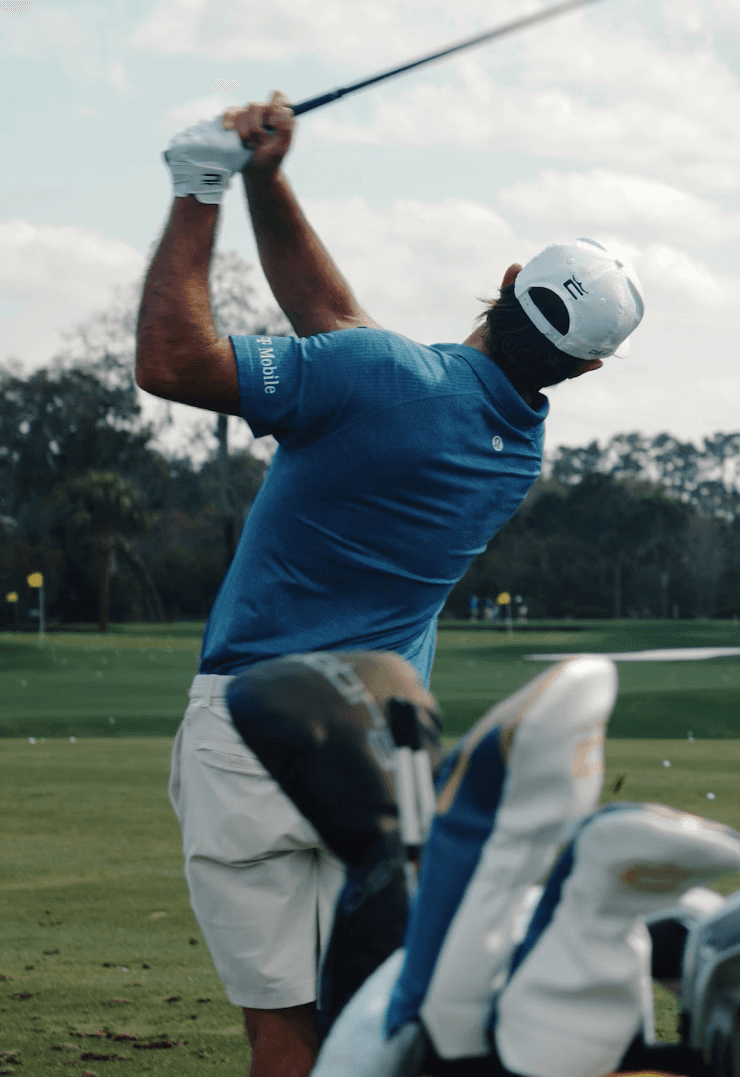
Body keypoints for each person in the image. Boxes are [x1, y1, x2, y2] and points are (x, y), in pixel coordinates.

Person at [134, 90, 645, 1077]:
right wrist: (269, 184)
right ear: (588, 369)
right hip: (378, 756)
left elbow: (171, 362)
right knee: (368, 1018)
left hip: (252, 731)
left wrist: (203, 188)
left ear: (503, 280)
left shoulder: (380, 378)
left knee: (284, 1031)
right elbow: (339, 324)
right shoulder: (511, 451)